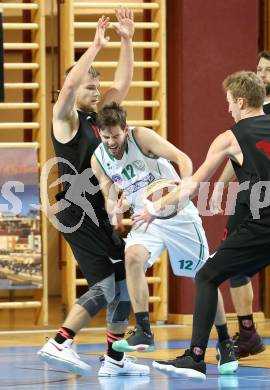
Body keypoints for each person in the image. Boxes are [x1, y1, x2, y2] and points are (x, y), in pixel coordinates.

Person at [38, 9, 149, 377]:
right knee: (105, 286)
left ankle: (114, 358)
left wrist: (129, 40)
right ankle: (61, 341)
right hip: (75, 210)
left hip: (98, 211)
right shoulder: (64, 118)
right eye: (90, 86)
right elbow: (70, 87)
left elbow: (124, 82)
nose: (96, 91)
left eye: (96, 87)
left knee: (123, 280)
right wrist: (96, 45)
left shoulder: (94, 117)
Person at [137, 71, 270, 379]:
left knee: (207, 276)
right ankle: (231, 341)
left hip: (261, 225)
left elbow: (192, 185)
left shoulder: (231, 137)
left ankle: (196, 356)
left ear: (240, 101)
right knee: (235, 269)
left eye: (229, 103)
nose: (229, 110)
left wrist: (157, 207)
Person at [91, 102, 238, 375]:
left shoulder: (141, 137)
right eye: (106, 137)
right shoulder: (98, 157)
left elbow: (183, 159)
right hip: (146, 219)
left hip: (178, 215)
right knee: (132, 257)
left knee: (205, 276)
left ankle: (226, 340)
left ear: (125, 129)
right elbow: (109, 195)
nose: (111, 142)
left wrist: (184, 186)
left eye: (115, 136)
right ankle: (144, 330)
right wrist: (115, 207)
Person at [208, 51, 270, 359]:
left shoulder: (260, 115)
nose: (262, 74)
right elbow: (238, 152)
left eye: (267, 70)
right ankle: (247, 332)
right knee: (232, 263)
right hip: (248, 198)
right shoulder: (249, 118)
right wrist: (221, 184)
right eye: (259, 69)